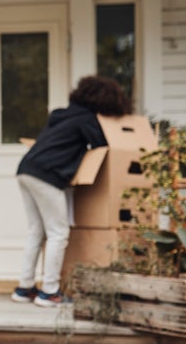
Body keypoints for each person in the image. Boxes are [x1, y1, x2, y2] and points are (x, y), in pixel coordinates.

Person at [13, 75, 132, 307]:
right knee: (58, 232)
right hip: (47, 175)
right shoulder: (87, 119)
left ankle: (24, 288)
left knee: (36, 232)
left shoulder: (59, 114)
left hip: (25, 169)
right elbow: (102, 146)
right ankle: (49, 292)